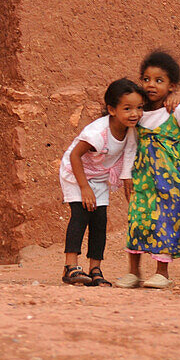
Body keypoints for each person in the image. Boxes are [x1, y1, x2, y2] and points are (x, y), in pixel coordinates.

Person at [117, 50, 180, 289]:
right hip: (142, 177)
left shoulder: (177, 110)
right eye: (146, 79)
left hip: (169, 177)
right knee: (138, 219)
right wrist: (126, 176)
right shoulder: (138, 112)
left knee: (165, 220)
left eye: (158, 80)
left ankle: (162, 273)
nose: (151, 85)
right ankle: (133, 272)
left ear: (171, 86)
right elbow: (131, 145)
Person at [58, 78, 145, 286]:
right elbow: (74, 157)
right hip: (76, 172)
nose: (135, 113)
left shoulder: (130, 129)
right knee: (80, 215)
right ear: (112, 110)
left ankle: (95, 268)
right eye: (127, 108)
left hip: (99, 175)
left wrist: (127, 181)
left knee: (99, 221)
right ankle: (70, 267)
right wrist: (84, 187)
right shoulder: (97, 132)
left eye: (139, 108)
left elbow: (130, 153)